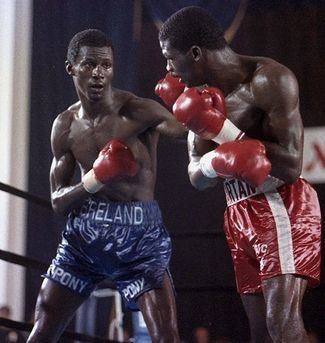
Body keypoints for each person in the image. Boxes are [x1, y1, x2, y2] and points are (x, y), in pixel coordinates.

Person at [156, 6, 322, 343]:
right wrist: (215, 163)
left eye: (170, 58)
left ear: (196, 53)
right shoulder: (196, 99)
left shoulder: (269, 79)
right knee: (260, 333)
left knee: (282, 324)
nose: (168, 69)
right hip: (238, 212)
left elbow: (290, 166)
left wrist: (227, 134)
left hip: (282, 205)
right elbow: (195, 174)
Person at [27, 29, 186, 343]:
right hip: (84, 237)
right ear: (71, 67)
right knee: (42, 327)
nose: (99, 73)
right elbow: (58, 202)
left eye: (106, 65)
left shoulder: (138, 110)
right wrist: (94, 179)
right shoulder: (65, 126)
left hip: (139, 239)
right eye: (89, 65)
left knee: (166, 337)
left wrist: (187, 103)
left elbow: (184, 131)